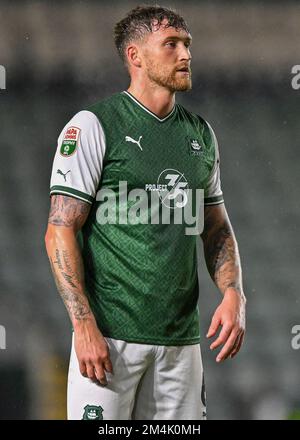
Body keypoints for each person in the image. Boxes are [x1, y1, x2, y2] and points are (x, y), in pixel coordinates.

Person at [45, 5, 246, 420]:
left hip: (181, 345)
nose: (186, 54)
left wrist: (233, 292)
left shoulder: (200, 135)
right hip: (109, 340)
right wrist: (83, 326)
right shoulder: (93, 125)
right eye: (170, 45)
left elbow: (216, 229)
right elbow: (60, 230)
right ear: (135, 56)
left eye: (187, 44)